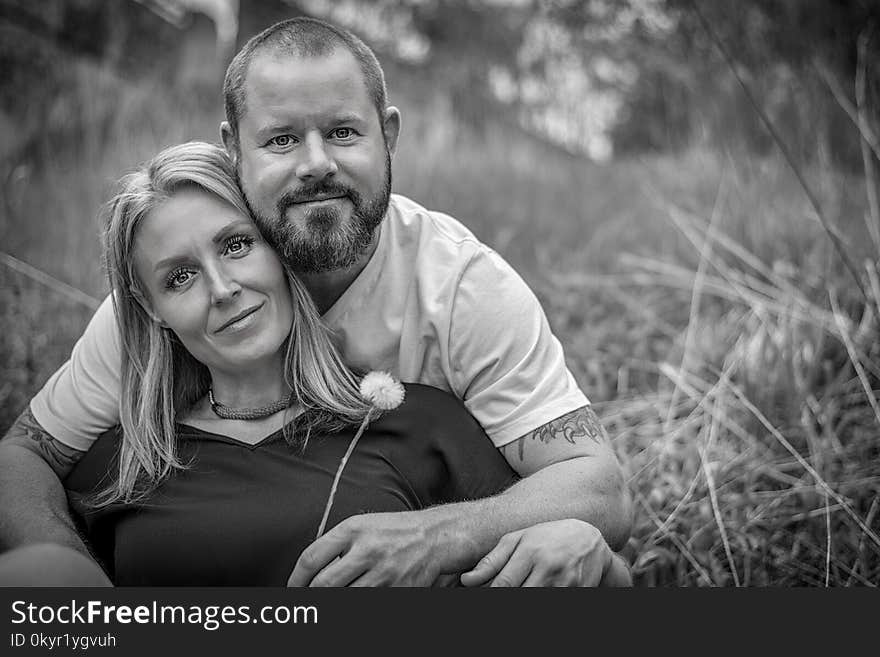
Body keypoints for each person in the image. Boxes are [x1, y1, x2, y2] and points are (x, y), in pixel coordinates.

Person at [0, 17, 632, 586]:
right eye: (280, 140)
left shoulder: (463, 288)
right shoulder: (174, 300)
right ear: (234, 151)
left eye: (342, 132)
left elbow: (597, 488)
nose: (316, 164)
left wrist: (434, 536)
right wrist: (67, 577)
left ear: (388, 136)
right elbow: (24, 455)